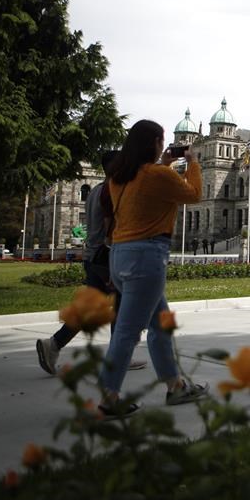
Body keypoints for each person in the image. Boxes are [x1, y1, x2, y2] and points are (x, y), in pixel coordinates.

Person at [98, 120, 207, 418]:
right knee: (126, 333)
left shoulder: (120, 177)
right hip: (146, 257)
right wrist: (194, 163)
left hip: (119, 255)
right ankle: (109, 398)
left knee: (160, 325)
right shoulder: (158, 175)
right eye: (162, 141)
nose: (165, 145)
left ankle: (176, 386)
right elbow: (194, 194)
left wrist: (164, 163)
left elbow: (145, 187)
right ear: (156, 144)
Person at [35, 151, 148, 375]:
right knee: (122, 307)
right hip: (108, 258)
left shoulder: (97, 190)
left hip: (94, 257)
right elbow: (112, 229)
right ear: (116, 168)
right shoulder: (112, 192)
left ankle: (54, 344)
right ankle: (118, 357)